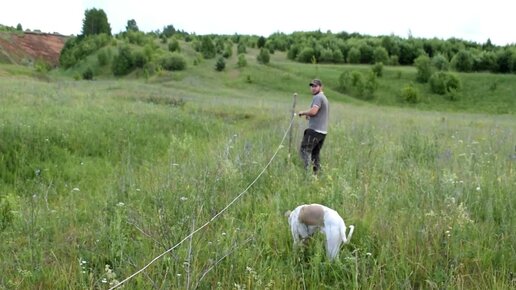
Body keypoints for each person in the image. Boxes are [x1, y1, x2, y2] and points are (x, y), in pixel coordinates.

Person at [297, 79, 329, 174]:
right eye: (312, 86)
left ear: (321, 87)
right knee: (315, 154)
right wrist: (309, 114)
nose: (313, 88)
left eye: (315, 86)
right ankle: (316, 175)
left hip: (315, 131)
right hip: (322, 132)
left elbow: (314, 111)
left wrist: (303, 112)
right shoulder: (323, 97)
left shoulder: (318, 97)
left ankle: (305, 174)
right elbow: (316, 112)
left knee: (304, 151)